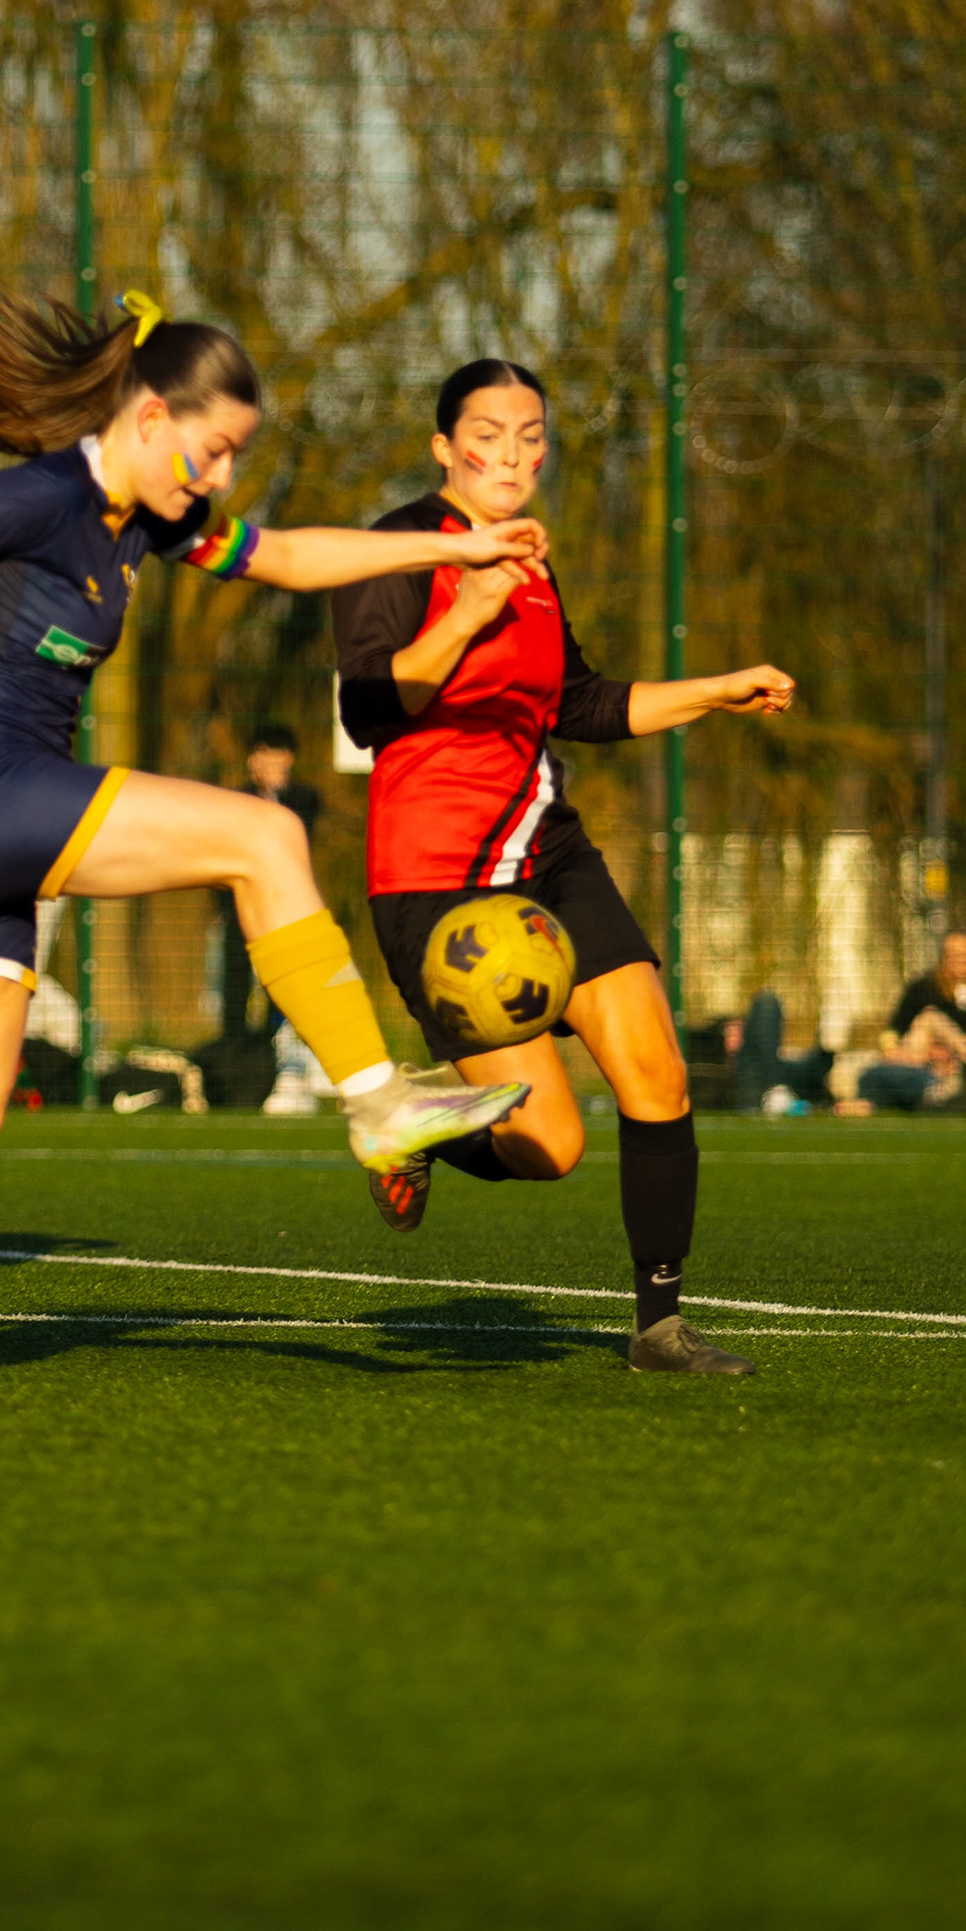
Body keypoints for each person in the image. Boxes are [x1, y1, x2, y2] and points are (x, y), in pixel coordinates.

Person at [0, 287, 539, 1389]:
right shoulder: (50, 494)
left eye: (235, 457)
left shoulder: (151, 515)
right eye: (212, 450)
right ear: (149, 420)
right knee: (262, 838)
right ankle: (379, 1100)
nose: (220, 478)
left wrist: (453, 549)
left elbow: (283, 558)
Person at [331, 358, 796, 1378]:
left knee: (657, 1073)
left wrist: (714, 691)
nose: (511, 452)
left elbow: (576, 703)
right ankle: (415, 1125)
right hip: (435, 877)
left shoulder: (533, 561)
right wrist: (466, 612)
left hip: (548, 850)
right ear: (445, 446)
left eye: (531, 434)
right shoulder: (398, 548)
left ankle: (660, 1327)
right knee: (549, 1145)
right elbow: (369, 708)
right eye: (488, 433)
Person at [217, 720, 323, 1042]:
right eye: (259, 754)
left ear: (288, 758)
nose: (263, 762)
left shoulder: (305, 798)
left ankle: (275, 1042)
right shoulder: (236, 799)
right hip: (241, 903)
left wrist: (275, 794)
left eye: (272, 754)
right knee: (235, 977)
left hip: (284, 906)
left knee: (283, 982)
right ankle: (233, 1046)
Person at [846, 930, 966, 1113]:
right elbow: (893, 1030)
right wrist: (896, 1049)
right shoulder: (922, 988)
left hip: (953, 1068)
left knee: (930, 1019)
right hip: (914, 1059)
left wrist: (949, 1054)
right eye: (950, 954)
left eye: (962, 955)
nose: (956, 960)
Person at [727, 993, 832, 1112]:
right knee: (767, 1001)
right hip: (760, 1087)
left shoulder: (781, 1066)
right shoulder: (740, 1068)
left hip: (779, 1081)